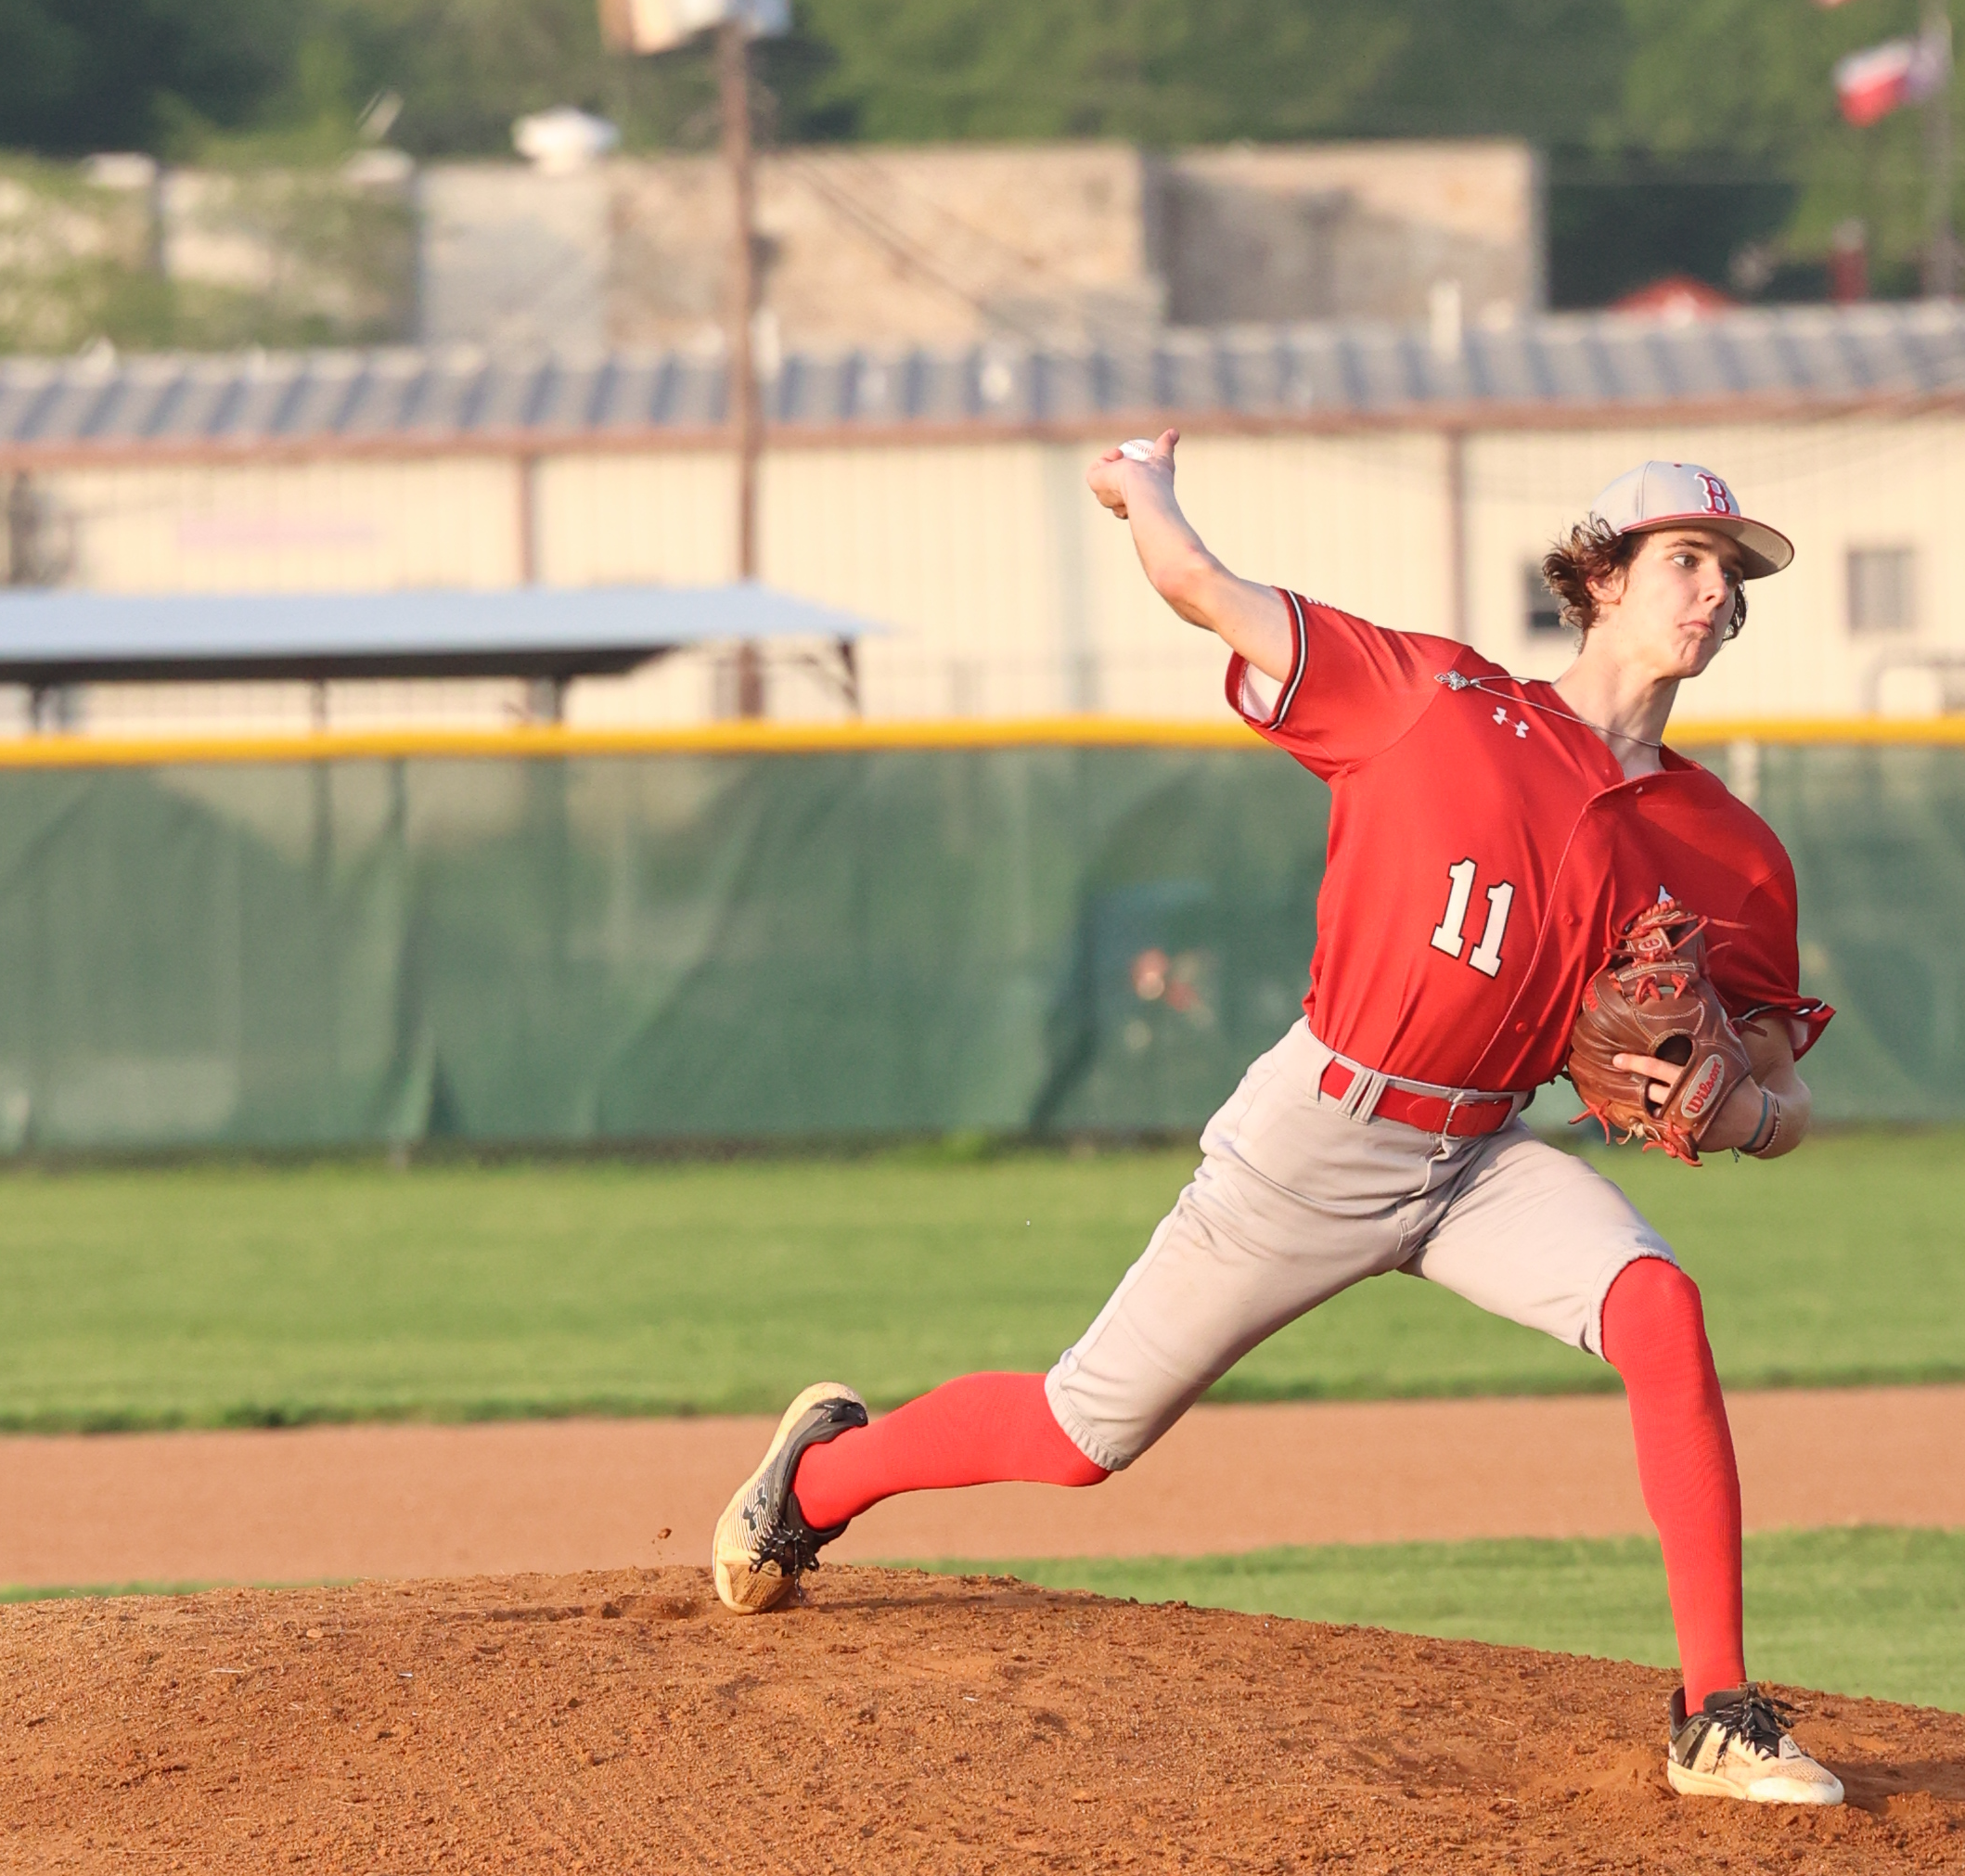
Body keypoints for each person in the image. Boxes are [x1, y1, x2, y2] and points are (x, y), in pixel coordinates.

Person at [713, 433, 1843, 1805]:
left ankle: (1715, 1712)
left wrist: (1742, 1112)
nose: (1712, 595)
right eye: (1684, 560)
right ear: (1599, 577)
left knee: (1660, 1306)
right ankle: (824, 1479)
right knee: (1079, 1436)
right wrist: (1146, 489)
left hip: (1481, 1152)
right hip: (1321, 1134)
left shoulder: (1727, 844)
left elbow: (1778, 1075)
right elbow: (1202, 586)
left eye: (1732, 576)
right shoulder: (1432, 694)